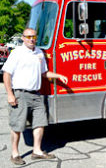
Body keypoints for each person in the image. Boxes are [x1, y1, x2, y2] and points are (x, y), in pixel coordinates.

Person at [2, 28, 68, 166]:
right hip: (20, 94)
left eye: (34, 36)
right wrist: (10, 94)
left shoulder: (39, 52)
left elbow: (44, 73)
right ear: (23, 38)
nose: (31, 39)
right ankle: (15, 154)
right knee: (17, 125)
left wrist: (59, 76)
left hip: (36, 95)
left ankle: (37, 151)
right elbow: (6, 74)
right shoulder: (17, 53)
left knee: (40, 123)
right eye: (28, 36)